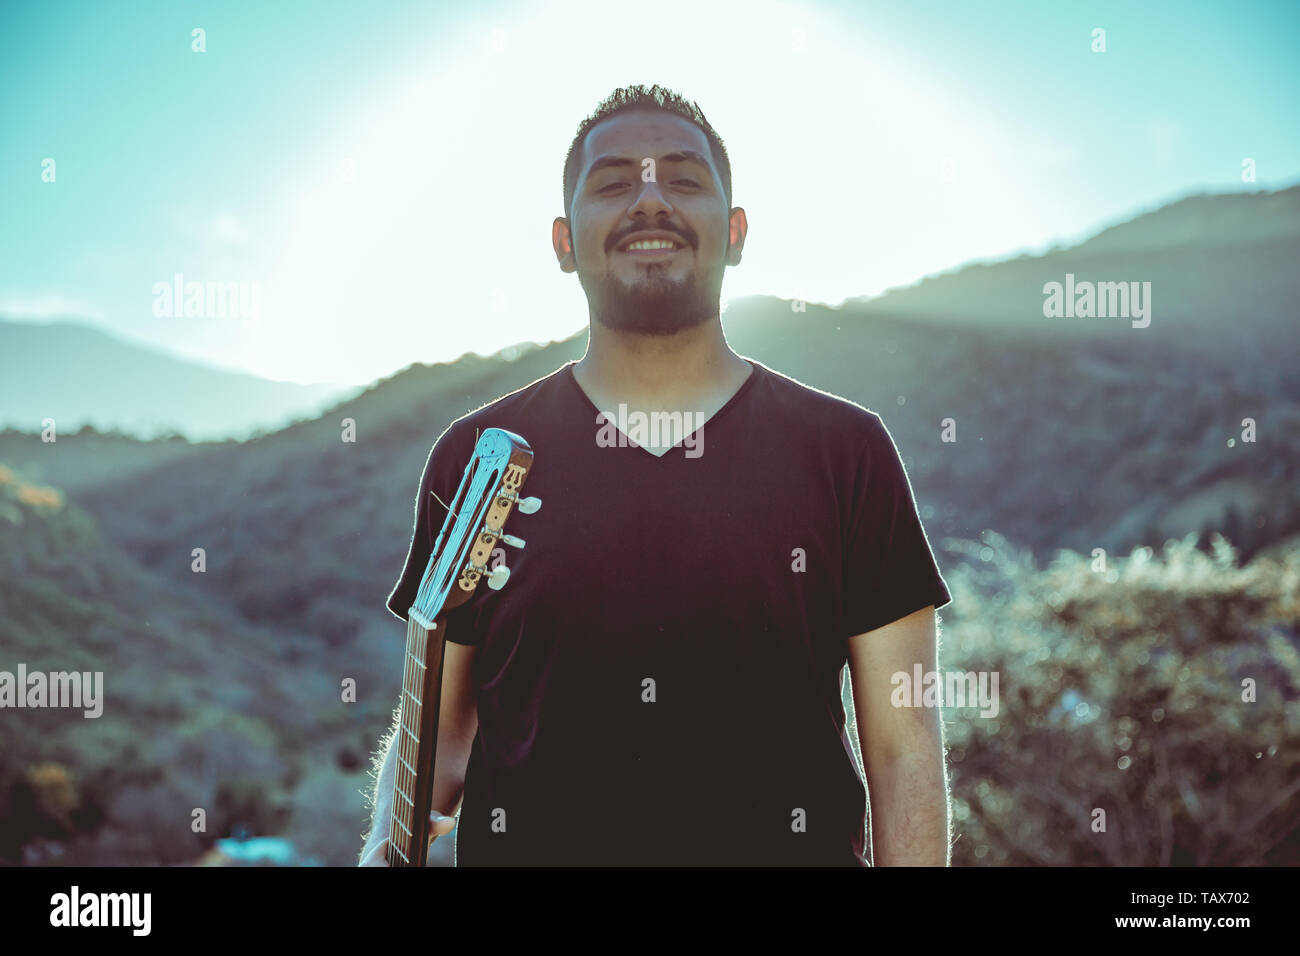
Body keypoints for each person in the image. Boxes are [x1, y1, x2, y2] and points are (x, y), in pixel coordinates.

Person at [359, 84, 952, 867]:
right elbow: (440, 728)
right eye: (612, 184)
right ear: (564, 241)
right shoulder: (481, 457)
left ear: (735, 233)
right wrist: (381, 845)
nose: (648, 200)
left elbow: (905, 748)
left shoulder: (847, 452)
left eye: (683, 178)